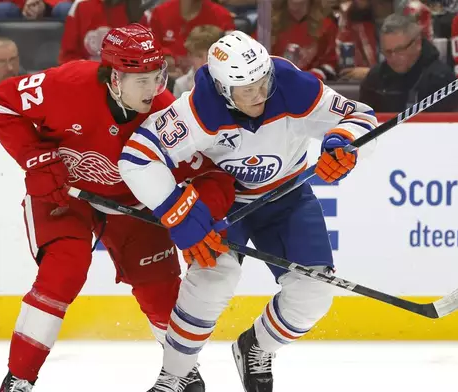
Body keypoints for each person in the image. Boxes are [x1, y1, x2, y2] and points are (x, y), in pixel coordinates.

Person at [118, 30, 377, 392]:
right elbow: (136, 158)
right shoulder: (197, 109)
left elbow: (360, 117)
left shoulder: (291, 85)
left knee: (313, 295)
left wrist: (345, 143)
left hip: (287, 197)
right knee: (211, 281)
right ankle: (174, 376)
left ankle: (255, 347)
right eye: (247, 90)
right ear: (224, 90)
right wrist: (178, 214)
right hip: (223, 200)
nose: (260, 95)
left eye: (262, 82)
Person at [0, 23, 234, 392]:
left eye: (157, 76)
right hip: (63, 194)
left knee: (160, 290)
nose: (154, 90)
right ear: (115, 78)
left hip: (133, 206)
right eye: (142, 81)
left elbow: (213, 174)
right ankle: (18, 379)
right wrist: (35, 160)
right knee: (63, 271)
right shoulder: (66, 84)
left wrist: (202, 216)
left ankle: (181, 375)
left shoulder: (166, 116)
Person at [359, 14, 458, 113]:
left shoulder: (441, 79)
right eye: (388, 52)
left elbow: (450, 126)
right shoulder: (375, 78)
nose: (393, 58)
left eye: (399, 50)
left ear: (417, 44)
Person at [173, 24, 223, 97]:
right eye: (199, 56)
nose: (205, 62)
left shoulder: (235, 84)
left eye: (210, 56)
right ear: (190, 56)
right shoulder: (181, 85)